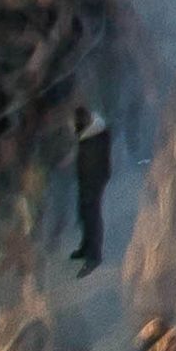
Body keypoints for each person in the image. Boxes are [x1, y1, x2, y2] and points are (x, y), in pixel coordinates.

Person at [71, 104, 113, 273]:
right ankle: (86, 246)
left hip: (92, 183)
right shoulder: (96, 132)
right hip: (88, 182)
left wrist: (90, 186)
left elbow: (93, 166)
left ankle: (93, 256)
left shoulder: (93, 141)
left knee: (92, 217)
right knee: (85, 214)